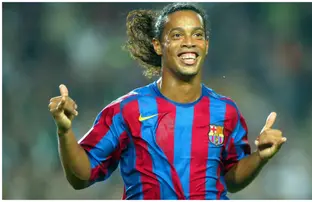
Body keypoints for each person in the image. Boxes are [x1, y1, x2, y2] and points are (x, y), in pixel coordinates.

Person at [48, 2, 286, 200]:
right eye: (177, 35)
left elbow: (232, 178)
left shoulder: (226, 111)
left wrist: (259, 158)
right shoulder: (127, 110)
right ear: (158, 45)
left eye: (197, 34)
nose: (189, 42)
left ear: (206, 45)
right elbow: (81, 176)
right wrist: (64, 130)